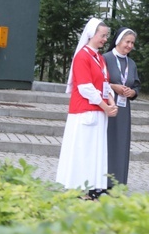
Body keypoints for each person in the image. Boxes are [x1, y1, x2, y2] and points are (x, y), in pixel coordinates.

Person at [56, 18, 118, 199]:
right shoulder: (82, 56)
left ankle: (93, 186)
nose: (105, 39)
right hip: (84, 110)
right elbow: (85, 88)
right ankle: (78, 188)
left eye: (106, 36)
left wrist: (111, 101)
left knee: (94, 151)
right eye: (102, 35)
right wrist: (105, 106)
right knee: (83, 150)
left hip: (98, 111)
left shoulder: (99, 57)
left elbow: (105, 84)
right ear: (92, 34)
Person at [102, 27, 140, 187]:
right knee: (107, 143)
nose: (130, 45)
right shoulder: (105, 58)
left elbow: (137, 85)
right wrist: (113, 87)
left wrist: (132, 92)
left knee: (121, 144)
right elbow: (99, 81)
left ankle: (118, 183)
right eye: (127, 42)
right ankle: (103, 181)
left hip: (124, 110)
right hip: (107, 107)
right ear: (118, 41)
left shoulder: (131, 63)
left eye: (132, 43)